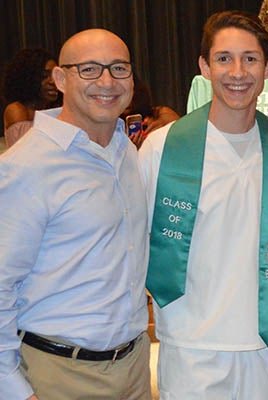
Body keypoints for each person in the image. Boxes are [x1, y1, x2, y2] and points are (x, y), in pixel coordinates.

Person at [139, 11, 268, 399]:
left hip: (266, 342)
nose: (237, 72)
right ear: (204, 67)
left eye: (251, 59)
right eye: (224, 58)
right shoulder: (163, 147)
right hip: (191, 343)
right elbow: (135, 239)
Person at [0, 29, 150, 400]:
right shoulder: (27, 165)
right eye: (89, 69)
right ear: (60, 79)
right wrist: (14, 388)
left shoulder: (125, 150)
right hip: (58, 375)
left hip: (133, 367)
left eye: (119, 68)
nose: (106, 81)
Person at [2, 48, 61, 148]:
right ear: (29, 78)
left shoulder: (54, 110)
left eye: (55, 76)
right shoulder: (17, 110)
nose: (53, 81)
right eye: (44, 76)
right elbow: (27, 151)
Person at [121, 74, 180, 148]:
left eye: (127, 91)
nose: (124, 99)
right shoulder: (109, 127)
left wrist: (165, 126)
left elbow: (182, 132)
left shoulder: (159, 113)